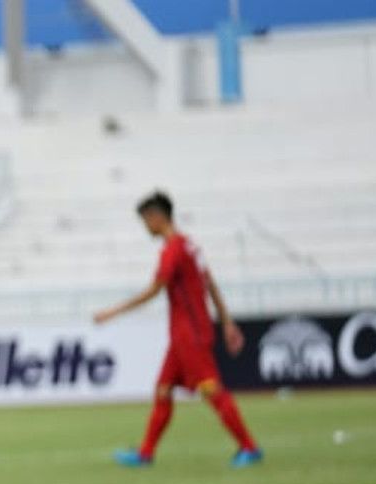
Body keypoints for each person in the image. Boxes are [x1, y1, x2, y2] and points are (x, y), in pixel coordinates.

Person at [95, 191, 262, 468]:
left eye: (146, 221)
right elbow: (210, 283)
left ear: (156, 217)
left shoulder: (173, 250)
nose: (146, 227)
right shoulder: (190, 246)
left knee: (211, 389)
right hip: (183, 334)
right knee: (162, 390)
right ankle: (145, 453)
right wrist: (226, 320)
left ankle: (249, 446)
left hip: (191, 333)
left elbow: (154, 291)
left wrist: (112, 312)